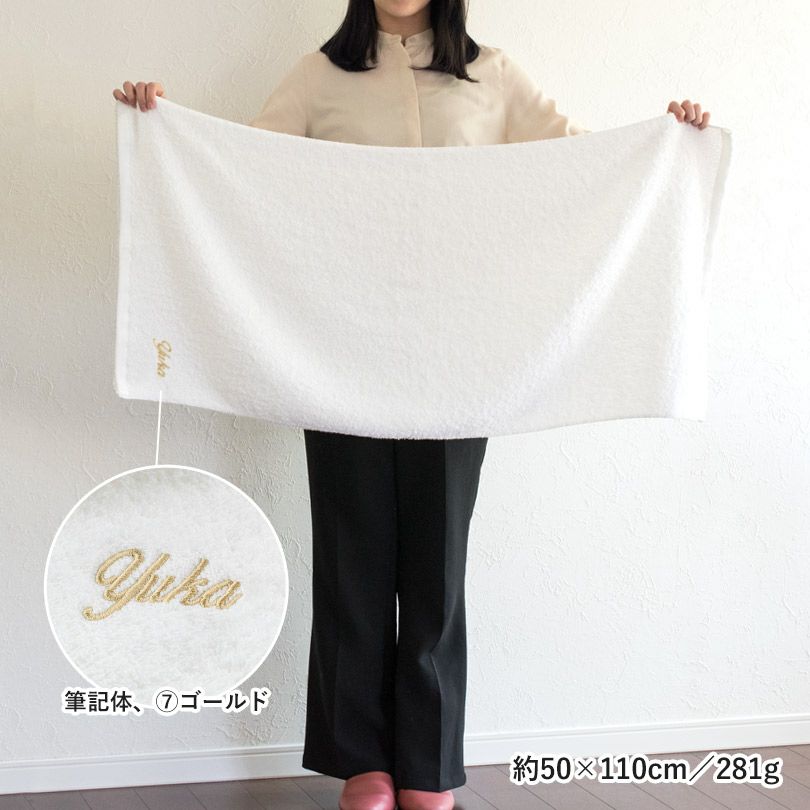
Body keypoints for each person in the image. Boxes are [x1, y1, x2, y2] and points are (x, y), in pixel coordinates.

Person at [113, 2, 711, 809]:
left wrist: (669, 141)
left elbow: (582, 166)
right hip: (336, 355)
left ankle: (427, 764)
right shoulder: (319, 76)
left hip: (462, 359)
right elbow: (241, 172)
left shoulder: (493, 75)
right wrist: (164, 126)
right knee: (352, 557)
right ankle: (362, 759)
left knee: (438, 563)